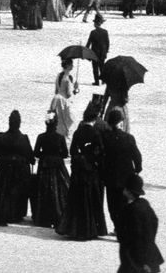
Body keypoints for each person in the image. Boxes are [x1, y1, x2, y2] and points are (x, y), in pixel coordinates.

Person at [57, 101, 107, 240]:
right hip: (91, 172)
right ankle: (90, 229)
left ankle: (74, 228)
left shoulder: (78, 132)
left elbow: (72, 151)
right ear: (94, 118)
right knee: (91, 201)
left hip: (78, 171)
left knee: (77, 200)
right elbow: (100, 153)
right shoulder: (96, 133)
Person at [100, 105, 142, 232]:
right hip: (126, 177)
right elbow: (137, 156)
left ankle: (117, 227)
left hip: (110, 177)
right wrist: (138, 169)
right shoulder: (129, 138)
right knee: (124, 203)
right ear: (120, 123)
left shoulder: (104, 137)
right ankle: (124, 228)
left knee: (112, 204)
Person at [0, 109, 34, 225]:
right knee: (18, 191)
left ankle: (5, 213)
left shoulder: (2, 136)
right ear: (19, 123)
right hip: (20, 170)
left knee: (5, 192)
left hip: (5, 168)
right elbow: (30, 157)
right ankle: (17, 214)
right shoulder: (24, 138)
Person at [115, 174, 163, 273]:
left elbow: (130, 235)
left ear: (128, 191)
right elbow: (154, 222)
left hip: (135, 261)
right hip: (150, 255)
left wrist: (143, 263)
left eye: (125, 189)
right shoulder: (144, 204)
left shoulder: (129, 210)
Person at [32, 113, 70, 229]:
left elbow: (36, 153)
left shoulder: (41, 137)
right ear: (56, 124)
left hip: (44, 165)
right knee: (59, 191)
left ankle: (44, 218)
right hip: (57, 166)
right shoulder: (60, 137)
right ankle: (58, 215)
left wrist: (45, 154)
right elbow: (64, 154)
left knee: (43, 191)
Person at [50, 57, 78, 137]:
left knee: (57, 122)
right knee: (67, 122)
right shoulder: (68, 78)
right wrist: (76, 89)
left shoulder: (58, 75)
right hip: (64, 102)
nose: (73, 66)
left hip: (56, 100)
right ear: (68, 65)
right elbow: (69, 94)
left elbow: (56, 90)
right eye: (71, 64)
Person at [86, 14, 109, 85]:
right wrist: (106, 52)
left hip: (94, 53)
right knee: (102, 67)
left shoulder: (93, 32)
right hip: (102, 53)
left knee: (95, 68)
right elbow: (107, 43)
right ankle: (103, 80)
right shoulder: (105, 32)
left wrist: (86, 52)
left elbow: (88, 44)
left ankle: (96, 81)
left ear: (95, 24)